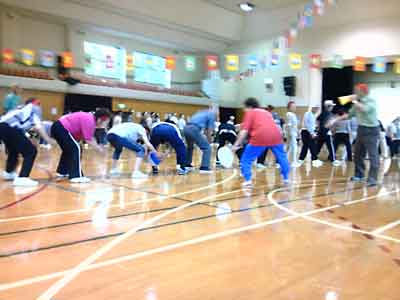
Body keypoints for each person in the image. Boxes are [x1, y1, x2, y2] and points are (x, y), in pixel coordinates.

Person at [232, 98, 290, 187]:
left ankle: (248, 180)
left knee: (246, 158)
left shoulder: (250, 112)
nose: (244, 110)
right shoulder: (267, 112)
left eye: (245, 108)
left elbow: (244, 131)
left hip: (260, 136)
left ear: (249, 106)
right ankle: (286, 178)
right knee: (282, 157)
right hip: (276, 135)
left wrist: (235, 145)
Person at [333, 84, 380, 186]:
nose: (354, 92)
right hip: (361, 129)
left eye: (356, 90)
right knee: (358, 154)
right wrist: (335, 120)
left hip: (371, 130)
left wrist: (354, 100)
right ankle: (359, 175)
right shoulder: (357, 103)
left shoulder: (371, 101)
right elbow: (349, 115)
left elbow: (365, 109)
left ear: (363, 91)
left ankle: (373, 179)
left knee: (373, 155)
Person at [0, 98, 53, 186]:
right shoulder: (34, 108)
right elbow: (38, 126)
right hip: (10, 128)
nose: (40, 105)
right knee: (31, 151)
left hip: (3, 126)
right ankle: (23, 178)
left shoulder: (20, 108)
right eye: (38, 103)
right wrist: (48, 140)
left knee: (14, 150)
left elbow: (27, 129)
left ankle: (9, 173)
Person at [51, 109, 111, 183]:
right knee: (76, 149)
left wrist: (98, 147)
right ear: (99, 120)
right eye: (105, 122)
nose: (105, 125)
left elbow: (90, 137)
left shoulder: (90, 119)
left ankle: (62, 172)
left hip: (58, 127)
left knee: (69, 150)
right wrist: (99, 149)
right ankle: (76, 176)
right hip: (61, 128)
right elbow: (88, 140)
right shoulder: (90, 121)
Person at [184, 106, 218, 173]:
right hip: (194, 129)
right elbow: (208, 130)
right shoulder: (211, 114)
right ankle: (204, 167)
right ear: (214, 110)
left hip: (186, 128)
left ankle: (187, 164)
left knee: (190, 147)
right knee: (207, 148)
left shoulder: (200, 112)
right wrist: (209, 141)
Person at [316, 100, 341, 166]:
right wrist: (331, 130)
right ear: (329, 107)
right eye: (332, 106)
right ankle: (333, 160)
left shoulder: (322, 113)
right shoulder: (330, 114)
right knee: (331, 147)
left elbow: (317, 120)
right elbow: (331, 124)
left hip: (321, 132)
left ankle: (314, 157)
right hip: (327, 133)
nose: (332, 107)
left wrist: (318, 128)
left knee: (318, 146)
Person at [285, 101, 301, 167]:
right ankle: (294, 162)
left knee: (288, 147)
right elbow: (289, 124)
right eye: (293, 106)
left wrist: (297, 131)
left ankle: (283, 160)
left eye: (295, 106)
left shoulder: (293, 114)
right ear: (289, 107)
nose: (294, 107)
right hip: (291, 133)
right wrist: (291, 133)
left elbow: (295, 125)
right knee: (294, 147)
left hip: (293, 132)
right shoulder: (289, 114)